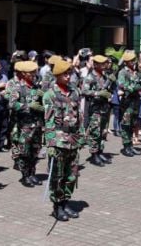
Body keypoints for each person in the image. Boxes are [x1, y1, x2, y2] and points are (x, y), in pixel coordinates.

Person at [43, 59, 85, 221]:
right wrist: (51, 143)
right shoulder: (50, 94)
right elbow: (48, 122)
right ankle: (57, 206)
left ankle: (66, 202)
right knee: (57, 175)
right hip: (59, 140)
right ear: (57, 75)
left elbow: (80, 116)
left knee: (72, 175)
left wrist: (81, 137)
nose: (68, 77)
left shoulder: (74, 91)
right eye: (65, 74)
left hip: (73, 139)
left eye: (70, 73)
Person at [9, 61, 44, 187]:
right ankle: (25, 176)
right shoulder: (18, 87)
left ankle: (32, 173)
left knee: (35, 150)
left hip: (36, 125)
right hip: (24, 126)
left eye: (35, 72)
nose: (34, 75)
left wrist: (42, 102)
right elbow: (12, 104)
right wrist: (28, 106)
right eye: (31, 73)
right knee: (24, 152)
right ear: (24, 74)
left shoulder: (36, 87)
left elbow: (43, 104)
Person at [81, 55, 114, 167]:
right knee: (95, 132)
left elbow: (109, 89)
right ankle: (94, 154)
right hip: (95, 109)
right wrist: (98, 93)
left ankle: (100, 151)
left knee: (102, 132)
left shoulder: (105, 76)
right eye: (102, 63)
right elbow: (84, 91)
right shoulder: (90, 77)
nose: (105, 65)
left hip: (104, 108)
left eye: (105, 63)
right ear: (95, 65)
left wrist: (112, 83)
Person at [117, 51, 141, 157]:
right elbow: (121, 84)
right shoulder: (123, 72)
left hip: (136, 102)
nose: (133, 62)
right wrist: (133, 88)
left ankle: (131, 146)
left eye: (134, 60)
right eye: (131, 61)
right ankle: (126, 147)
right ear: (126, 62)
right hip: (127, 102)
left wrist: (138, 86)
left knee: (133, 124)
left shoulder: (135, 72)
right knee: (126, 125)